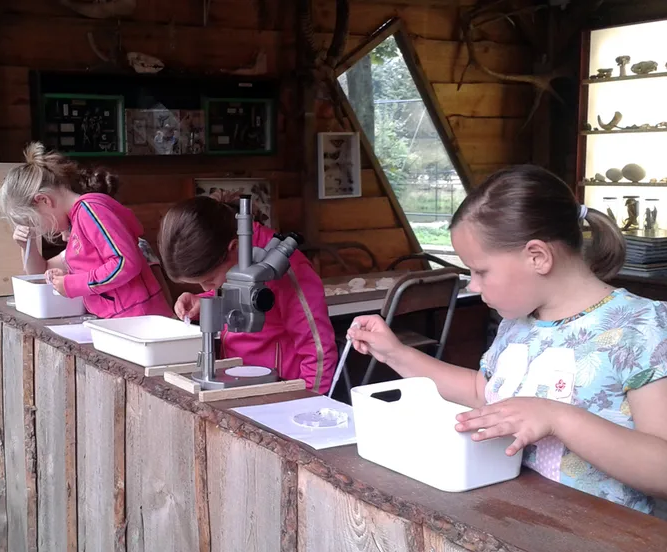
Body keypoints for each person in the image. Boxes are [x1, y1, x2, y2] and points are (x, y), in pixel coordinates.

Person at [348, 165, 667, 514]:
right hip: (517, 524)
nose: (472, 285)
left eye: (480, 271)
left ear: (537, 257)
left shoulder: (641, 327)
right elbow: (480, 393)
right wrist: (395, 353)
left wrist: (558, 418)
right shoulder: (517, 323)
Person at [158, 195, 337, 394]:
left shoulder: (287, 269)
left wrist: (308, 404)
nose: (203, 287)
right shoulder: (229, 260)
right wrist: (205, 301)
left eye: (208, 280)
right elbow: (235, 295)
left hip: (280, 393)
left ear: (234, 248)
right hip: (238, 382)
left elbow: (319, 352)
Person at [0, 142, 173, 319]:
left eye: (34, 221)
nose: (41, 229)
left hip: (137, 318)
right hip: (125, 319)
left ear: (44, 200)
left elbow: (124, 262)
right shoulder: (79, 221)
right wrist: (28, 247)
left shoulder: (90, 211)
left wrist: (74, 284)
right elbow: (39, 272)